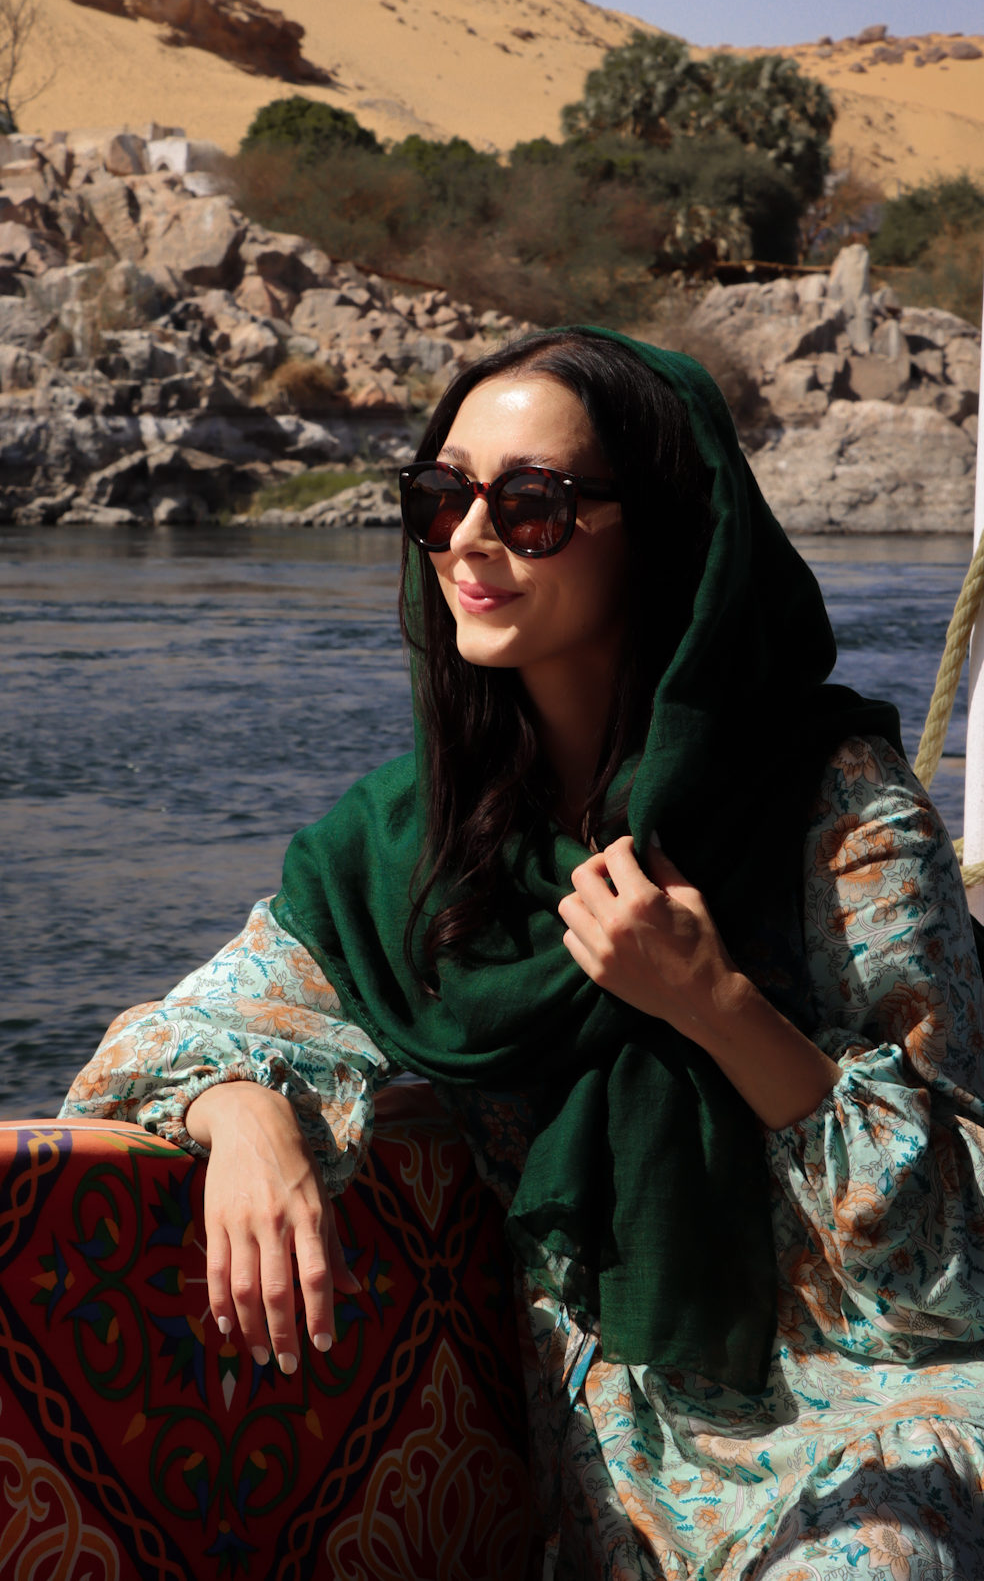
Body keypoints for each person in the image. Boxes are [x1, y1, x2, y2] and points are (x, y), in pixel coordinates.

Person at [62, 327, 984, 1579]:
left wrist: (713, 1005)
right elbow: (163, 1040)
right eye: (439, 498)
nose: (466, 541)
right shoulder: (417, 850)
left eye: (532, 506)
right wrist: (246, 1113)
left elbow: (955, 1259)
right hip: (624, 1440)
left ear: (655, 532)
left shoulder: (835, 814)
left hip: (882, 1393)